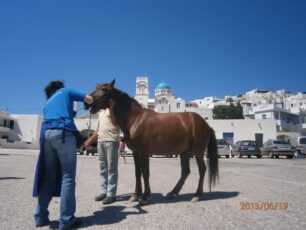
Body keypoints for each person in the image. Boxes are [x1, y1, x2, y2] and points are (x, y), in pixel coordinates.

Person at [33, 80, 93, 230]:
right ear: (60, 87)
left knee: (48, 176)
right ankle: (66, 220)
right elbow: (89, 99)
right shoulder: (65, 91)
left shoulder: (47, 103)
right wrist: (89, 103)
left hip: (46, 134)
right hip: (63, 132)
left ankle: (40, 217)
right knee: (68, 177)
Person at [85, 99, 120, 205]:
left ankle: (111, 194)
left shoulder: (115, 109)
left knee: (112, 168)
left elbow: (115, 123)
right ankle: (104, 191)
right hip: (100, 141)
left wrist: (112, 109)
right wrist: (90, 140)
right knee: (103, 168)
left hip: (111, 140)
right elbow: (98, 129)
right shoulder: (101, 112)